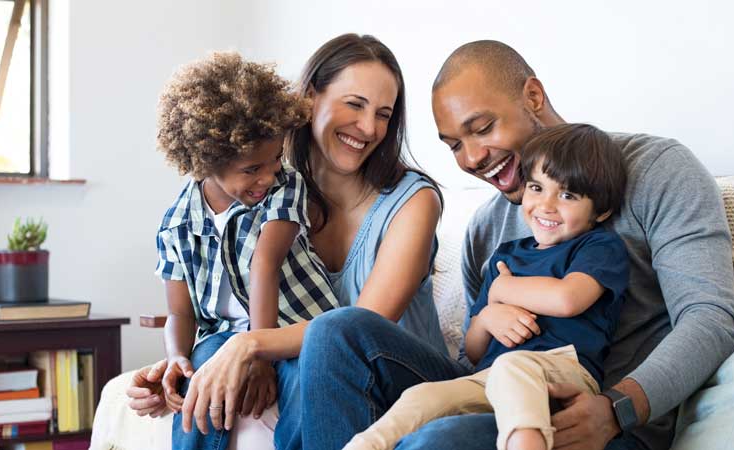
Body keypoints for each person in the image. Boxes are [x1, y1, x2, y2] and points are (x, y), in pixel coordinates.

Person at [296, 40, 734, 450]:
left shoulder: (657, 171)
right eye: (454, 145)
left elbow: (710, 319)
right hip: (498, 393)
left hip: (598, 418)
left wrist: (617, 408)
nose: (471, 159)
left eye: (483, 128)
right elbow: (476, 354)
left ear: (532, 96)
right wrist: (489, 316)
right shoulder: (486, 228)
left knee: (439, 440)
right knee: (336, 331)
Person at [127, 34, 447, 450]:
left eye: (384, 114)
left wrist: (251, 345)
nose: (369, 128)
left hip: (398, 373)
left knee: (328, 345)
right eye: (355, 104)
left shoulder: (413, 201)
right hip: (311, 363)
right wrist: (184, 366)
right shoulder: (263, 186)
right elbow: (222, 306)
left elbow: (357, 332)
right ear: (310, 97)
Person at [344, 123, 629, 450]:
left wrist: (501, 292)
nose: (546, 205)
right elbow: (475, 349)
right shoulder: (506, 256)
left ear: (601, 210)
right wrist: (488, 318)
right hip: (492, 377)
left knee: (513, 366)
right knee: (424, 395)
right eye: (537, 188)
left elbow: (567, 299)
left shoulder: (598, 247)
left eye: (567, 195)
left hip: (564, 372)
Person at [153, 52, 340, 449]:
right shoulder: (176, 223)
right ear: (206, 161)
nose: (267, 177)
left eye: (274, 160)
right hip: (221, 336)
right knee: (200, 379)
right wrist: (176, 358)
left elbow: (264, 264)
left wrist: (259, 356)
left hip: (294, 327)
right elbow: (179, 312)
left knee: (310, 378)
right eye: (252, 169)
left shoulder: (285, 187)